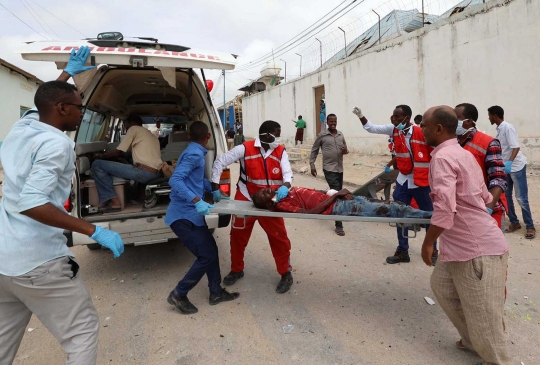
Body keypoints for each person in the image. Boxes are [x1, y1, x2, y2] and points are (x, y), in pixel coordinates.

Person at [0, 80, 124, 365]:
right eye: (80, 108)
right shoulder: (57, 143)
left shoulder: (22, 128)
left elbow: (38, 103)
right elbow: (31, 202)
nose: (82, 114)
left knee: (3, 341)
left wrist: (68, 71)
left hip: (4, 260)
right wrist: (93, 230)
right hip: (37, 260)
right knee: (82, 332)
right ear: (62, 108)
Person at [421, 105, 511, 365]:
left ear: (438, 129)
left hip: (477, 250)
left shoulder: (444, 158)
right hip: (459, 247)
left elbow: (446, 209)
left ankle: (495, 358)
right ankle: (474, 340)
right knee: (442, 288)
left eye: (425, 125)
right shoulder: (462, 153)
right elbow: (483, 197)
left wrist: (428, 243)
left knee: (485, 316)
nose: (422, 129)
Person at [211, 120, 294, 294]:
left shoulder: (280, 151)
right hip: (246, 198)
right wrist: (215, 187)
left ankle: (285, 272)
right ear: (266, 135)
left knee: (279, 237)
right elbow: (220, 162)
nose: (279, 138)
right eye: (276, 135)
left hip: (269, 202)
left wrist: (286, 186)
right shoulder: (244, 148)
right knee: (237, 236)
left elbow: (287, 173)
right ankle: (237, 269)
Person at [165, 121, 239, 314]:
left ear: (189, 136)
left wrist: (213, 191)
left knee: (211, 251)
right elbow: (175, 180)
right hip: (183, 216)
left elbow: (196, 180)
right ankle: (179, 294)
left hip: (191, 215)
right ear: (208, 136)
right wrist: (197, 200)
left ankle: (216, 292)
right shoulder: (195, 154)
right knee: (206, 256)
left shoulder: (191, 150)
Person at [353, 105, 437, 264]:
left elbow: (437, 152)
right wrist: (361, 115)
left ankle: (433, 248)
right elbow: (371, 128)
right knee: (399, 214)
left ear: (407, 117)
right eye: (393, 116)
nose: (394, 119)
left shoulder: (421, 132)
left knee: (429, 216)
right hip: (403, 181)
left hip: (422, 182)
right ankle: (403, 251)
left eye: (398, 116)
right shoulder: (394, 130)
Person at [91, 114, 163, 212]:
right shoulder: (151, 135)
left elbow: (118, 152)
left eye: (126, 126)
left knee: (97, 165)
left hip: (144, 173)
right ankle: (139, 197)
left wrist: (100, 156)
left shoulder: (133, 129)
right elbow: (128, 153)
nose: (126, 129)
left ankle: (115, 203)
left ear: (131, 123)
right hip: (157, 173)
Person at [455, 103, 508, 229]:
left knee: (492, 248)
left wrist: (487, 208)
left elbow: (498, 179)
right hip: (462, 210)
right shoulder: (452, 143)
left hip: (487, 207)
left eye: (455, 118)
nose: (451, 121)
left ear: (468, 122)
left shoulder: (488, 143)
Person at [488, 105, 535, 239]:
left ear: (495, 115)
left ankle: (530, 226)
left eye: (489, 115)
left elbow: (515, 147)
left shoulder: (507, 127)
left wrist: (509, 162)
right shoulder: (499, 129)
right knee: (507, 197)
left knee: (521, 198)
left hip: (516, 167)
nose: (489, 118)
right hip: (506, 168)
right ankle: (514, 222)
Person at [253, 187, 433, 220]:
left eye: (263, 189)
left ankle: (429, 215)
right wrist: (336, 196)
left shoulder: (283, 192)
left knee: (387, 203)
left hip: (338, 199)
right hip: (339, 206)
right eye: (263, 195)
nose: (265, 190)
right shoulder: (281, 205)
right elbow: (311, 212)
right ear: (268, 205)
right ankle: (431, 216)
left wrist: (328, 192)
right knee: (393, 208)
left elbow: (312, 194)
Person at [309, 113, 349, 236]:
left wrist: (345, 151)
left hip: (339, 169)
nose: (333, 123)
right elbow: (314, 150)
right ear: (327, 122)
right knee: (338, 194)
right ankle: (339, 224)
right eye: (331, 121)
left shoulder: (340, 134)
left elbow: (346, 150)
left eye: (334, 121)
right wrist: (312, 164)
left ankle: (323, 203)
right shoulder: (322, 136)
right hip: (329, 169)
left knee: (335, 191)